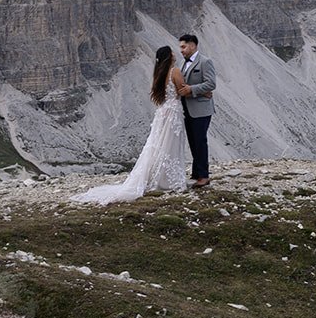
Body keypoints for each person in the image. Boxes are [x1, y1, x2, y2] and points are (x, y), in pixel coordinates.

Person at [71, 45, 188, 205]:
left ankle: (161, 177)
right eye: (172, 52)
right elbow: (182, 90)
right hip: (173, 112)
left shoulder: (158, 73)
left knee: (160, 144)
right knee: (171, 144)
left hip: (162, 112)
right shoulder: (175, 71)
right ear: (169, 56)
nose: (175, 54)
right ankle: (168, 180)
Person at [176, 33, 216, 187]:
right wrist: (197, 91)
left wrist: (192, 89)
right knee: (193, 141)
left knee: (200, 141)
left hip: (201, 109)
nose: (181, 50)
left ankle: (204, 176)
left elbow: (211, 83)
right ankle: (196, 172)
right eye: (180, 47)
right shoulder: (182, 63)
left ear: (192, 45)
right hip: (187, 108)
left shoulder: (205, 62)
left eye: (183, 47)